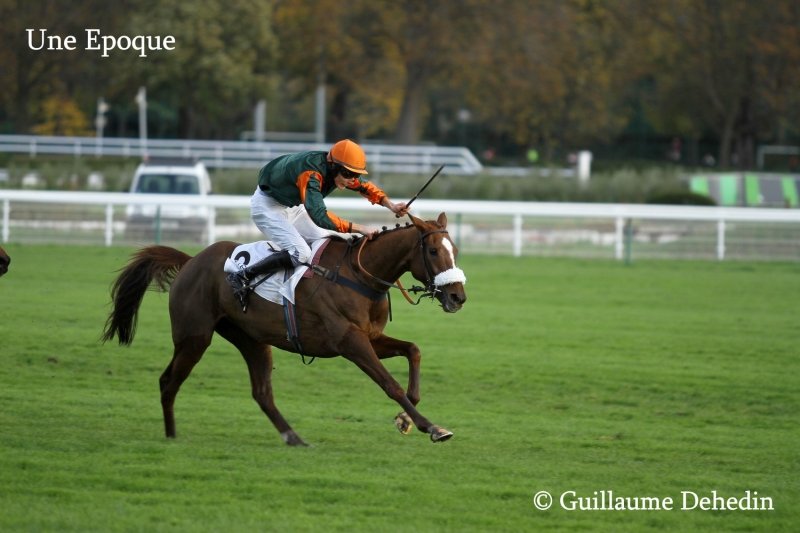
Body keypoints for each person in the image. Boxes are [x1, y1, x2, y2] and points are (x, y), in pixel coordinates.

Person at [228, 139, 408, 304]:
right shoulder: (311, 173)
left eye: (354, 174)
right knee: (301, 253)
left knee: (326, 243)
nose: (351, 180)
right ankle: (243, 275)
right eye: (348, 174)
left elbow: (365, 186)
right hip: (267, 206)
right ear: (333, 165)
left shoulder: (338, 170)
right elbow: (319, 216)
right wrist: (358, 228)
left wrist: (391, 205)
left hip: (293, 206)